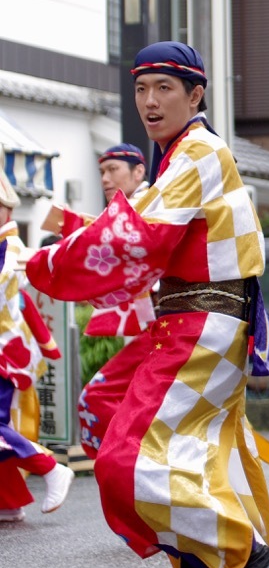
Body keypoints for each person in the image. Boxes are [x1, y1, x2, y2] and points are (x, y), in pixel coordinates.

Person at [26, 41, 269, 568]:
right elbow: (139, 221)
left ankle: (243, 556)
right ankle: (237, 562)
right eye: (141, 89)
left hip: (206, 324)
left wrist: (46, 260)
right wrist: (73, 234)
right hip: (186, 323)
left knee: (126, 463)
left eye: (164, 88)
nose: (149, 101)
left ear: (195, 95)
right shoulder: (177, 158)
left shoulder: (199, 151)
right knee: (112, 419)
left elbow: (137, 233)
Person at [0, 171, 74, 523]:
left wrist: (47, 343)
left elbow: (23, 303)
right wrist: (48, 343)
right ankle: (7, 501)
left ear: (8, 210)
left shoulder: (12, 252)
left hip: (7, 352)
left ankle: (50, 468)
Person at [75, 143, 156, 458]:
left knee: (95, 399)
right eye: (101, 172)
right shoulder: (129, 211)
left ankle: (125, 466)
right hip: (152, 329)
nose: (105, 179)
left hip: (166, 328)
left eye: (113, 170)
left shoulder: (149, 206)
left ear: (138, 171)